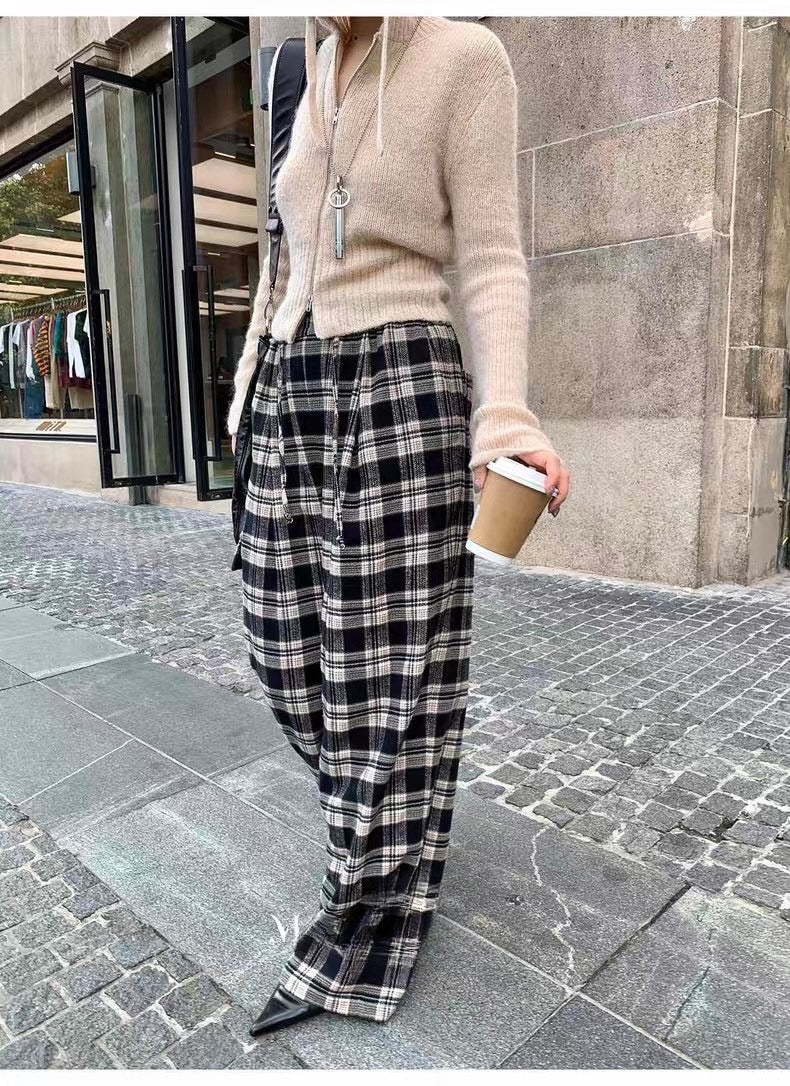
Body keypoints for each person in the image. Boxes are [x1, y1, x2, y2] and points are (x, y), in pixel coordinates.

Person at [228, 14, 570, 1035]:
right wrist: (247, 395)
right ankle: (386, 817)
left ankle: (365, 913)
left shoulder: (465, 59)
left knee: (386, 669)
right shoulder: (292, 68)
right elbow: (278, 261)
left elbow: (493, 257)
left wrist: (504, 415)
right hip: (291, 386)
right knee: (281, 648)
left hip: (403, 378)